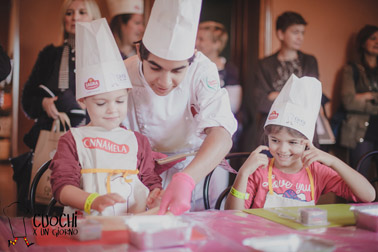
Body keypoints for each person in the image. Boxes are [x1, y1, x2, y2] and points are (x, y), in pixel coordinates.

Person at [122, 0, 237, 215]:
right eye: (155, 67)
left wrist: (186, 179)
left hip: (193, 166)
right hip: (137, 170)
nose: (165, 82)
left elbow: (221, 133)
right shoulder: (124, 72)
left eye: (177, 71)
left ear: (191, 61)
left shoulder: (203, 70)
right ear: (139, 52)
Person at [50, 18, 162, 216]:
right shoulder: (72, 140)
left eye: (120, 101)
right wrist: (93, 201)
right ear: (83, 101)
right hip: (86, 227)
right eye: (101, 103)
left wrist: (155, 195)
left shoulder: (137, 141)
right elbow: (62, 188)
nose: (112, 110)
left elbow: (150, 181)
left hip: (132, 225)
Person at [225, 75, 375, 210]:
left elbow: (368, 195)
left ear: (306, 143)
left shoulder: (316, 171)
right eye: (275, 140)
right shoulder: (259, 171)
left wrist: (333, 161)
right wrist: (243, 173)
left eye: (293, 142)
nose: (283, 149)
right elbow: (233, 214)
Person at [21, 0, 101, 150]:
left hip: (94, 139)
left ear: (94, 18)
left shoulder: (105, 56)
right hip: (56, 137)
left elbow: (119, 101)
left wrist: (87, 105)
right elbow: (27, 99)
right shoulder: (49, 55)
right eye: (69, 13)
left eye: (82, 12)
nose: (74, 17)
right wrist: (44, 103)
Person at [251, 11, 319, 149]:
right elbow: (261, 102)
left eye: (302, 32)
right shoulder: (264, 64)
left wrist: (276, 96)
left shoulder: (309, 61)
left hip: (303, 130)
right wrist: (295, 96)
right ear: (281, 34)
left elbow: (310, 97)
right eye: (295, 32)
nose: (300, 37)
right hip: (273, 132)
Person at [196, 21, 242, 152]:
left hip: (218, 128)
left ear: (217, 44)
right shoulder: (190, 66)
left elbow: (233, 105)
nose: (196, 43)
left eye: (201, 39)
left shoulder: (229, 69)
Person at [340, 25, 378, 177]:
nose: (377, 42)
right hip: (361, 131)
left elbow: (357, 100)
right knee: (360, 178)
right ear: (363, 42)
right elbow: (348, 102)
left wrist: (369, 96)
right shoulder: (351, 69)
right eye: (373, 38)